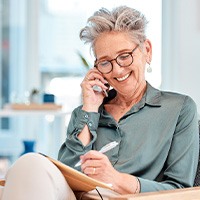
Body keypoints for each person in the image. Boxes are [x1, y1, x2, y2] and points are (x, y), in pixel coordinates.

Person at [0, 5, 199, 200]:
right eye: (105, 62)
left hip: (129, 198)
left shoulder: (179, 109)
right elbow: (66, 175)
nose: (117, 70)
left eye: (124, 56)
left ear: (146, 50)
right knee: (29, 163)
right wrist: (90, 108)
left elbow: (180, 190)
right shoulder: (85, 112)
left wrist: (117, 179)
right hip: (79, 197)